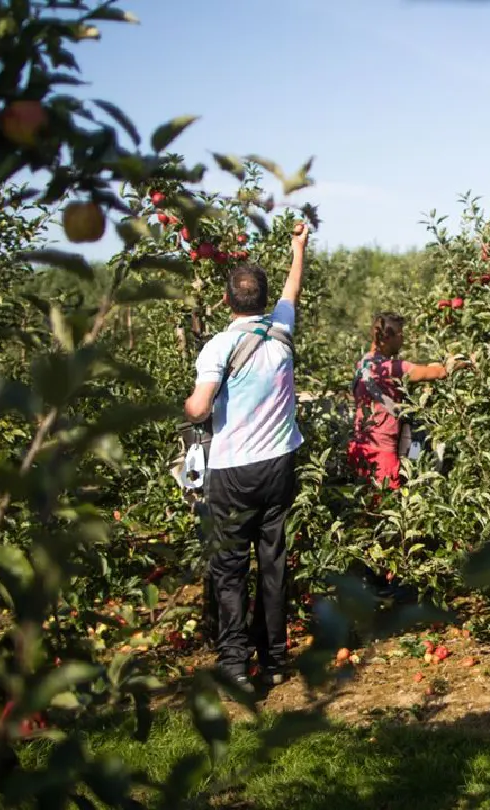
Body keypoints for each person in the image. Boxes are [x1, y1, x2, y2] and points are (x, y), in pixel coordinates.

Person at [182, 222, 309, 693]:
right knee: (272, 562)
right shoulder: (280, 331)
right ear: (263, 301)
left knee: (230, 567)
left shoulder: (219, 345)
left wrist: (187, 408)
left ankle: (235, 663)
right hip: (279, 465)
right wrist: (298, 247)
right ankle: (274, 659)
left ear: (226, 302)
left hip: (234, 472)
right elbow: (293, 288)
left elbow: (199, 406)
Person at [347, 312, 465, 489]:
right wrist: (466, 361)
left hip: (360, 449)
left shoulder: (363, 364)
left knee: (363, 507)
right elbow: (442, 372)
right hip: (382, 456)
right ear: (388, 337)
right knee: (387, 508)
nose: (403, 340)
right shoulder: (395, 368)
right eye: (401, 335)